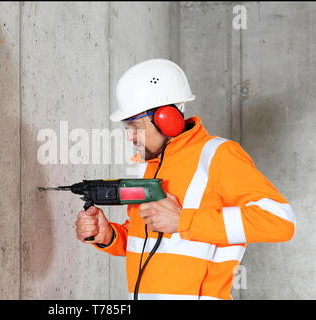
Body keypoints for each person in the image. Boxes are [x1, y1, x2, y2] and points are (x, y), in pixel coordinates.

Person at [74, 59, 296, 300]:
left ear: (167, 119)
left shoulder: (218, 155)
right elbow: (149, 243)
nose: (129, 137)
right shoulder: (147, 168)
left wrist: (183, 221)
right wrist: (110, 236)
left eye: (134, 126)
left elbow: (280, 221)